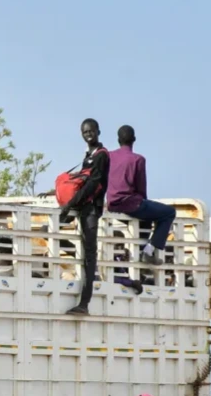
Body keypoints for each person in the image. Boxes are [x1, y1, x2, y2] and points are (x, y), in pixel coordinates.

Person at [107, 125, 176, 266]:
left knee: (147, 220)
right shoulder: (138, 159)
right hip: (130, 204)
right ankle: (148, 251)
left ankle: (140, 253)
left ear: (118, 140)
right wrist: (143, 202)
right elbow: (141, 188)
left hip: (112, 203)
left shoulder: (109, 156)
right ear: (134, 139)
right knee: (169, 213)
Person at [63, 118, 110, 315]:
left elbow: (92, 184)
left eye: (91, 131)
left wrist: (71, 203)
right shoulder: (88, 155)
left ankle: (85, 302)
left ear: (98, 131)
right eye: (85, 132)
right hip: (83, 208)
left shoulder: (101, 156)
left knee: (89, 255)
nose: (88, 134)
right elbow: (80, 182)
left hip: (91, 209)